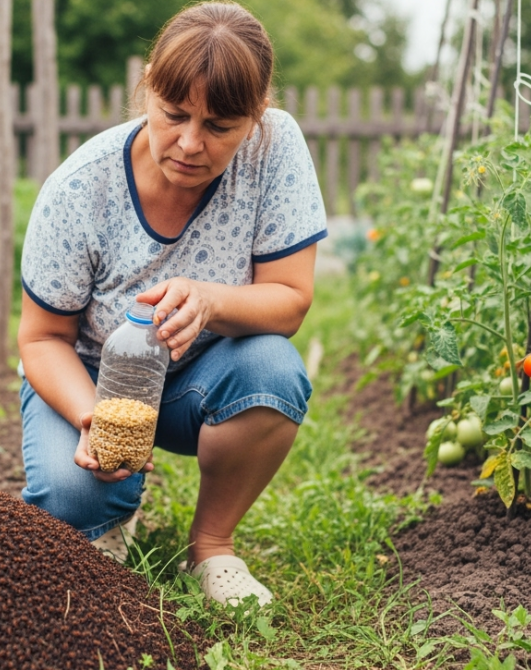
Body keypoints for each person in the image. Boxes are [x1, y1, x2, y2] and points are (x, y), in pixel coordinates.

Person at [17, 1, 326, 607]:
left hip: (202, 378)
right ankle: (109, 514)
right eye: (174, 114)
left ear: (256, 116)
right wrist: (94, 418)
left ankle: (211, 547)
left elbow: (290, 300)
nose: (190, 143)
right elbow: (40, 339)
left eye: (220, 127)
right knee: (72, 498)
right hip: (92, 376)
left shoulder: (276, 148)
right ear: (148, 86)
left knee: (273, 370)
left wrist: (210, 300)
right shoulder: (80, 189)